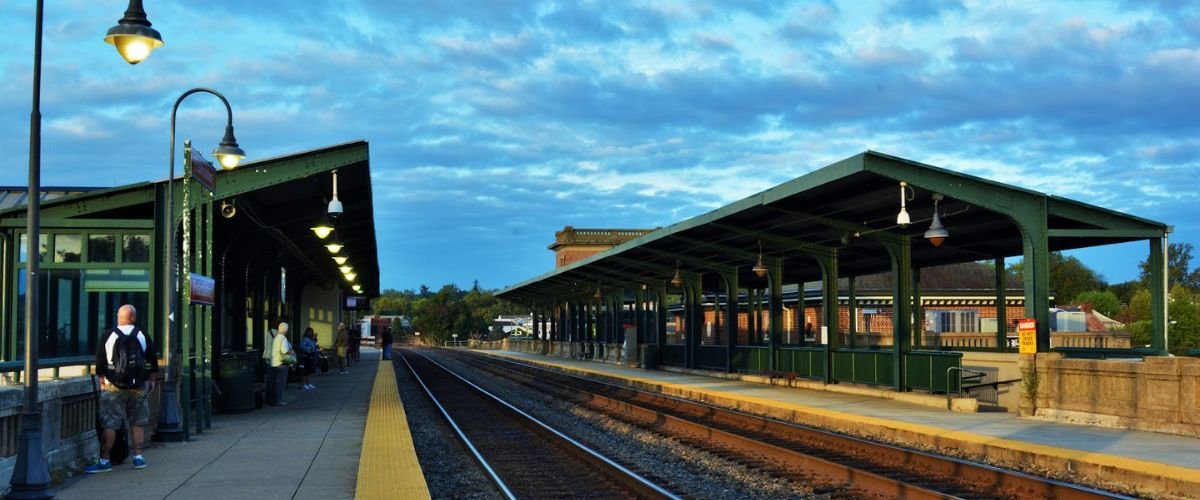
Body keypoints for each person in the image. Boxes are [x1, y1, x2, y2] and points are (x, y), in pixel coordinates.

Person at [87, 304, 159, 473]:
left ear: (118, 318)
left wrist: (102, 382)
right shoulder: (142, 335)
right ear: (133, 318)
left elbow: (100, 364)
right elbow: (153, 363)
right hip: (138, 386)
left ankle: (105, 460)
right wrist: (151, 381)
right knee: (137, 422)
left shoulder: (108, 335)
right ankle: (138, 458)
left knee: (110, 424)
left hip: (113, 386)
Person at [269, 321, 295, 406]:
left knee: (275, 383)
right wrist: (291, 352)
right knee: (281, 383)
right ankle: (279, 400)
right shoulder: (283, 338)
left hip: (274, 362)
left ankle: (273, 400)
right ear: (285, 330)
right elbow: (284, 350)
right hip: (282, 363)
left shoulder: (276, 337)